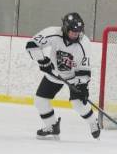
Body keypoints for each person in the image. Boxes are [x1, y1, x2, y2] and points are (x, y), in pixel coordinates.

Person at [25, 12, 99, 140]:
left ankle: (93, 122)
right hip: (55, 74)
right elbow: (31, 45)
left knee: (78, 104)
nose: (77, 34)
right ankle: (52, 126)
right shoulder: (54, 33)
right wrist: (43, 61)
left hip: (73, 77)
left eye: (79, 31)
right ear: (65, 28)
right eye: (73, 31)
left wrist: (83, 86)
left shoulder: (84, 43)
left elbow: (85, 69)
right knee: (40, 101)